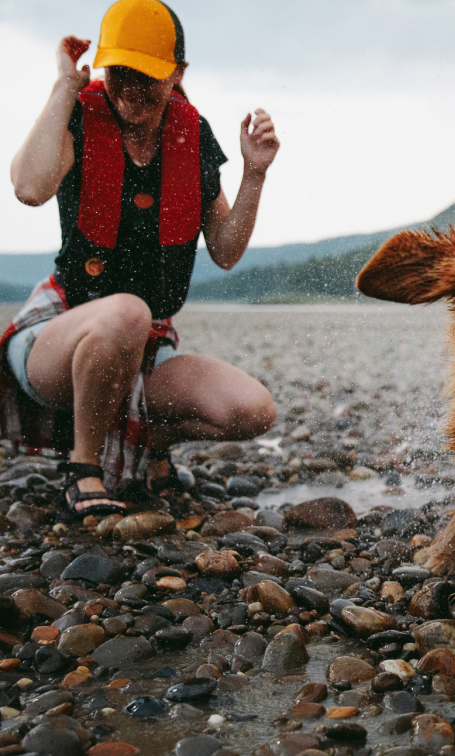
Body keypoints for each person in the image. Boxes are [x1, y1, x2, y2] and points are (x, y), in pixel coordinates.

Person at [8, 0, 278, 518]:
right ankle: (83, 468)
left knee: (253, 410)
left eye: (146, 75)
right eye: (120, 72)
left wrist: (255, 173)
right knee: (127, 309)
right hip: (57, 340)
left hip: (143, 346)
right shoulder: (81, 117)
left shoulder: (192, 135)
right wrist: (66, 86)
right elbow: (28, 187)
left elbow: (223, 250)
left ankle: (147, 444)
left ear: (177, 73)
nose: (130, 87)